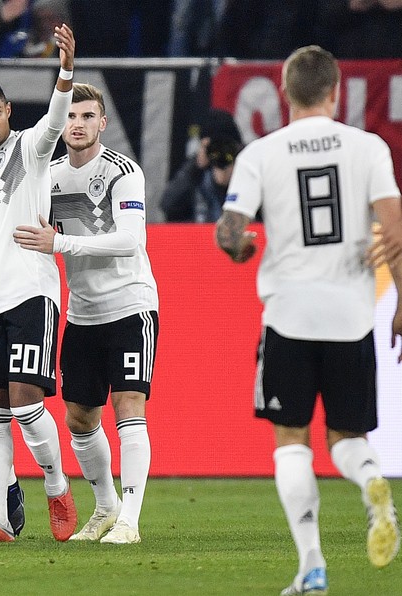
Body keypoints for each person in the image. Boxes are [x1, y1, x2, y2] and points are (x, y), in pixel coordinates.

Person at [215, 45, 401, 595]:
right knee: (348, 439)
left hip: (290, 316)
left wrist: (242, 248)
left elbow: (230, 232)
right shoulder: (368, 148)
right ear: (336, 91)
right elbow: (393, 225)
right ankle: (371, 480)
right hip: (350, 316)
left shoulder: (262, 153)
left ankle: (312, 567)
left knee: (291, 443)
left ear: (284, 93)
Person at [14, 82, 158, 544]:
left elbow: (130, 240)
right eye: (71, 117)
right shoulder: (48, 175)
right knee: (79, 417)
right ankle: (106, 507)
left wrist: (61, 243)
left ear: (102, 122)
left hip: (131, 305)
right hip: (83, 313)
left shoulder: (122, 172)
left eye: (86, 116)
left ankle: (130, 521)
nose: (77, 125)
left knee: (128, 405)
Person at [0, 23, 78, 543]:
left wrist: (66, 72)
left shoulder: (29, 148)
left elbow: (54, 121)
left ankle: (55, 484)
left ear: (8, 112)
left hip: (31, 291)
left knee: (27, 403)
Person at [161, 108, 243, 223]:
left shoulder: (248, 166)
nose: (220, 152)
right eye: (214, 146)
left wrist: (237, 174)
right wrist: (196, 167)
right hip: (200, 236)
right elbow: (168, 205)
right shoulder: (196, 172)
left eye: (226, 146)